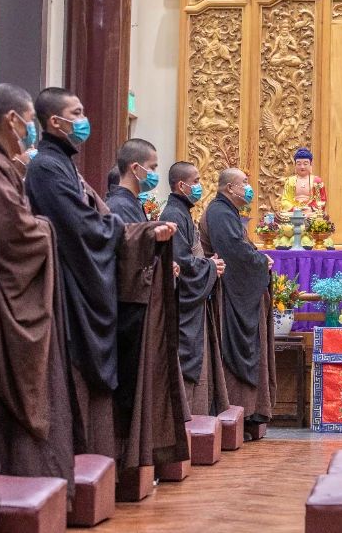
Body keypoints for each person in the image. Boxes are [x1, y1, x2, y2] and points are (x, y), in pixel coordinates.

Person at [24, 88, 178, 471]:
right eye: (75, 112)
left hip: (85, 281)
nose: (83, 119)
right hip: (70, 286)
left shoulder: (65, 164)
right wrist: (137, 234)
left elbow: (93, 216)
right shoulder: (45, 166)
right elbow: (79, 224)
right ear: (54, 122)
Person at [0, 84, 74, 494]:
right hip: (3, 296)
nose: (32, 130)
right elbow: (12, 231)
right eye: (30, 121)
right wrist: (46, 226)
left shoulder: (2, 162)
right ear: (13, 120)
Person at [105, 138, 188, 485]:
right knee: (129, 386)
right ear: (134, 168)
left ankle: (139, 457)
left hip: (140, 301)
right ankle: (126, 459)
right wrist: (152, 239)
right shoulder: (117, 205)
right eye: (152, 168)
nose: (154, 174)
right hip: (129, 307)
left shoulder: (132, 204)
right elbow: (122, 250)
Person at [201, 168, 275, 437]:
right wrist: (259, 261)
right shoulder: (220, 212)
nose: (249, 187)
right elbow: (233, 252)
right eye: (245, 182)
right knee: (235, 353)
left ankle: (250, 413)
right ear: (230, 188)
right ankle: (237, 414)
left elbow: (240, 247)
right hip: (230, 294)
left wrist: (256, 257)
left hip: (239, 290)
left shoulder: (228, 212)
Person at [161, 161, 229, 415]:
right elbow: (179, 261)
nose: (200, 186)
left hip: (194, 303)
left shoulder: (182, 212)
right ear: (182, 185)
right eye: (197, 181)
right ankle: (186, 417)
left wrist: (209, 265)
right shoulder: (173, 215)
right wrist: (210, 266)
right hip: (183, 306)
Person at [277, 147, 332, 248]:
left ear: (310, 165)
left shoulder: (317, 181)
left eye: (305, 163)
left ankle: (306, 234)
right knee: (282, 215)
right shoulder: (290, 181)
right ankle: (299, 233)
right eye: (299, 164)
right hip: (293, 212)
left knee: (318, 217)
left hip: (310, 213)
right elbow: (285, 200)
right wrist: (296, 209)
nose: (302, 167)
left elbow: (322, 201)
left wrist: (310, 208)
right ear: (295, 165)